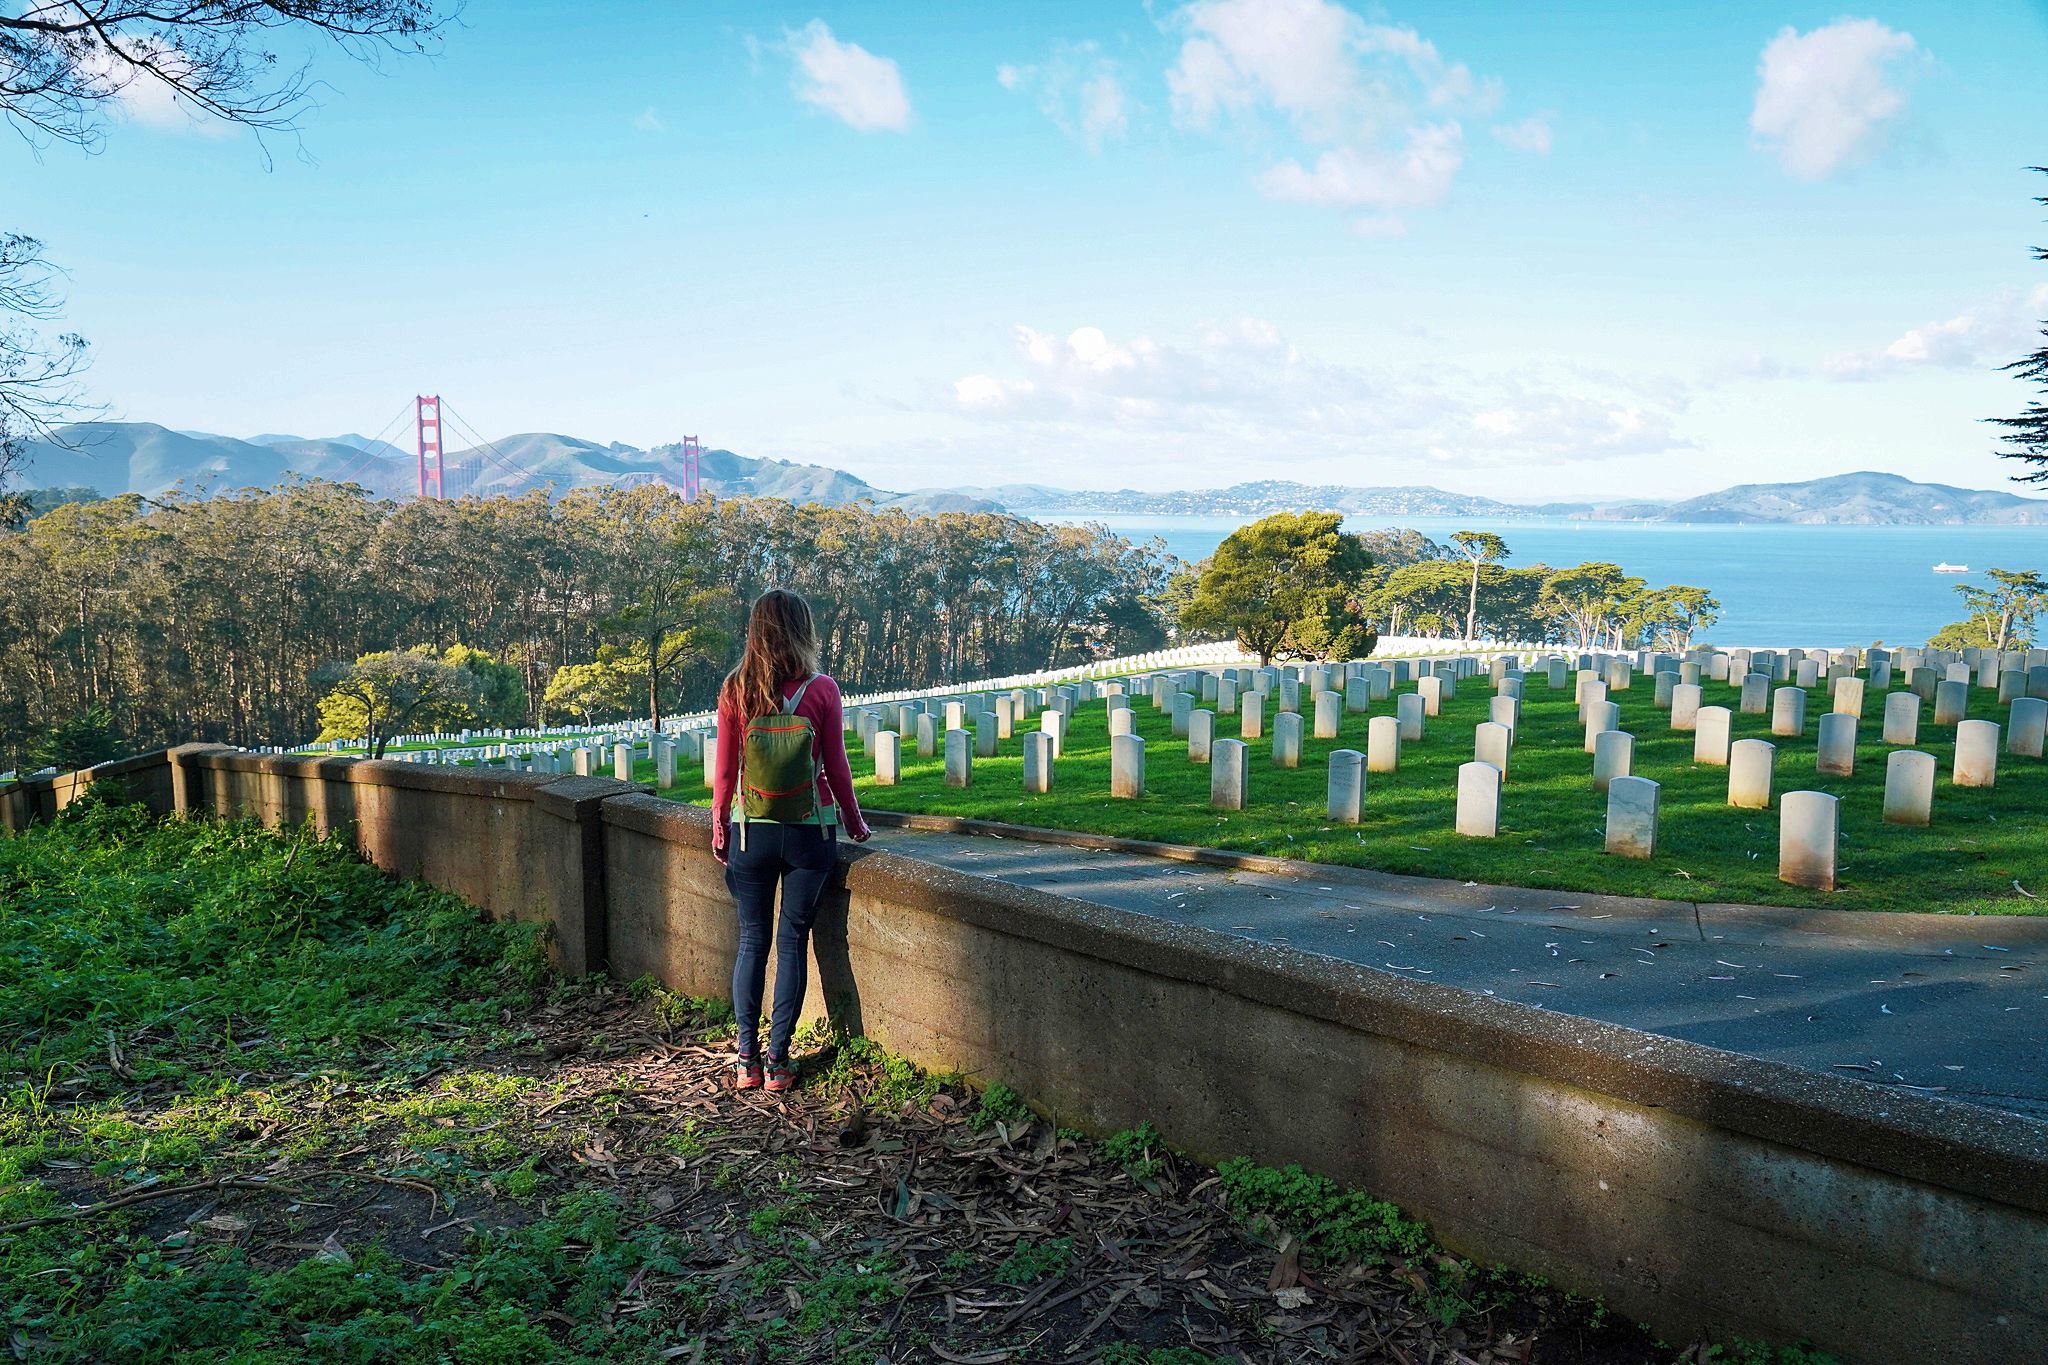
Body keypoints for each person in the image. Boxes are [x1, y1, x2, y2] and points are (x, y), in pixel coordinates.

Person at [711, 588, 870, 1093]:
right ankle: (779, 1061)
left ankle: (745, 1060)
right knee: (792, 942)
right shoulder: (823, 690)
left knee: (751, 941)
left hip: (751, 831)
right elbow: (837, 766)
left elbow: (725, 770)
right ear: (804, 629)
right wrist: (854, 820)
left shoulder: (735, 688)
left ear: (755, 630)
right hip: (810, 832)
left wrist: (720, 823)